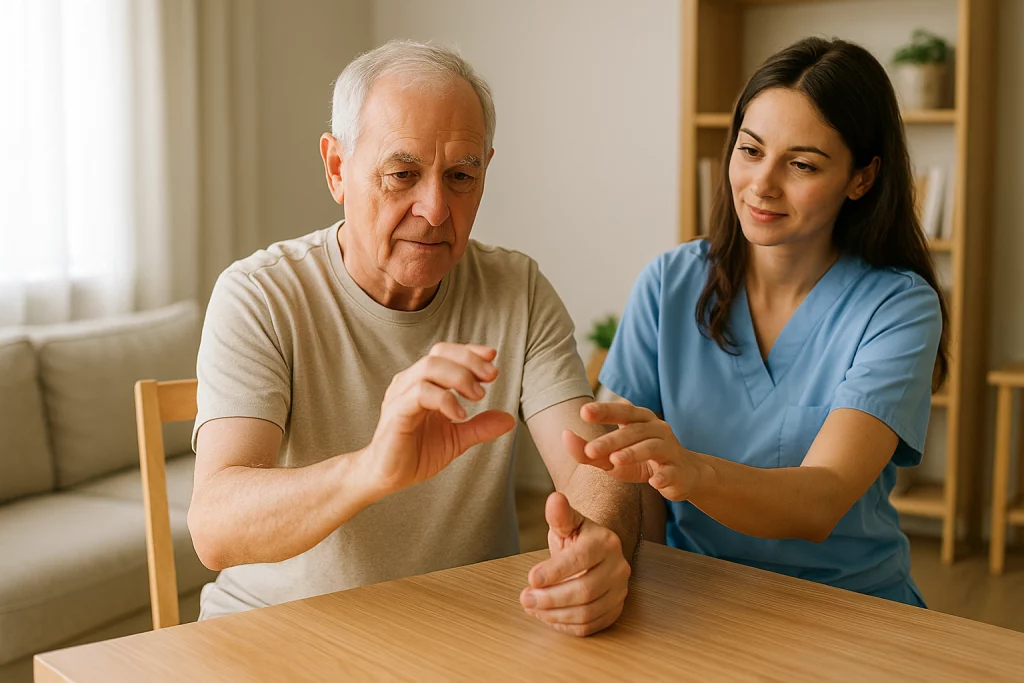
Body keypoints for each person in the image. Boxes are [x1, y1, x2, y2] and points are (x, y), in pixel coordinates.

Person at [187, 40, 638, 636]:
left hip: (461, 628)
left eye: (460, 176)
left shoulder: (517, 288)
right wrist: (372, 468)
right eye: (402, 174)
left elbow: (592, 465)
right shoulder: (260, 295)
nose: (435, 208)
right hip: (277, 635)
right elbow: (215, 528)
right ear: (337, 168)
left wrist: (602, 545)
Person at [568, 37, 947, 606]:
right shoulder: (670, 283)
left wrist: (692, 473)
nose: (762, 185)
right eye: (750, 150)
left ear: (861, 178)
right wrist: (606, 556)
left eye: (801, 164)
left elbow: (822, 500)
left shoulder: (898, 307)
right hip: (695, 599)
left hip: (851, 607)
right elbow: (622, 470)